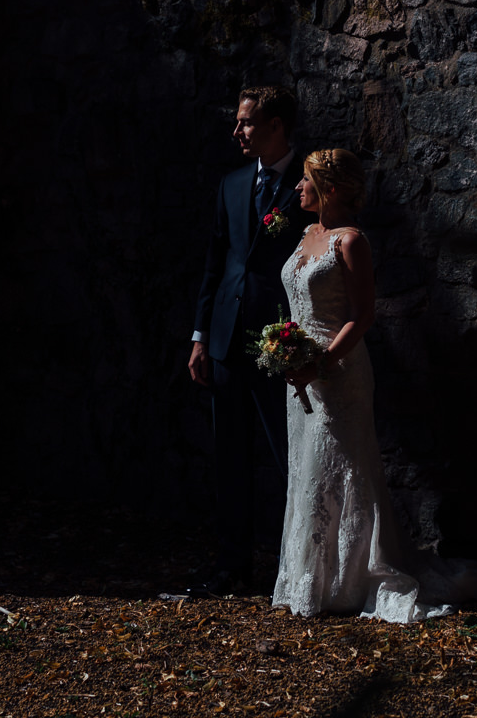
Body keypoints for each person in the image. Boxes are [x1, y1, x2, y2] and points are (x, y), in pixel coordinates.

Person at [273, 148, 477, 621]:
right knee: (305, 468)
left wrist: (319, 361)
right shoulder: (305, 234)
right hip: (300, 372)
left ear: (330, 188)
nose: (297, 188)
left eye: (305, 180)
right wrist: (283, 351)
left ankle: (348, 583)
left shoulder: (351, 241)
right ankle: (308, 578)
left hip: (338, 373)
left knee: (339, 465)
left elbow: (364, 315)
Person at [187, 85, 309, 598]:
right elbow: (216, 262)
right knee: (230, 459)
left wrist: (305, 342)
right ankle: (231, 569)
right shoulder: (232, 184)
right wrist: (199, 337)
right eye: (238, 123)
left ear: (277, 125)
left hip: (281, 343)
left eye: (247, 123)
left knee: (289, 459)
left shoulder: (309, 183)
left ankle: (293, 569)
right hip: (225, 341)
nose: (237, 131)